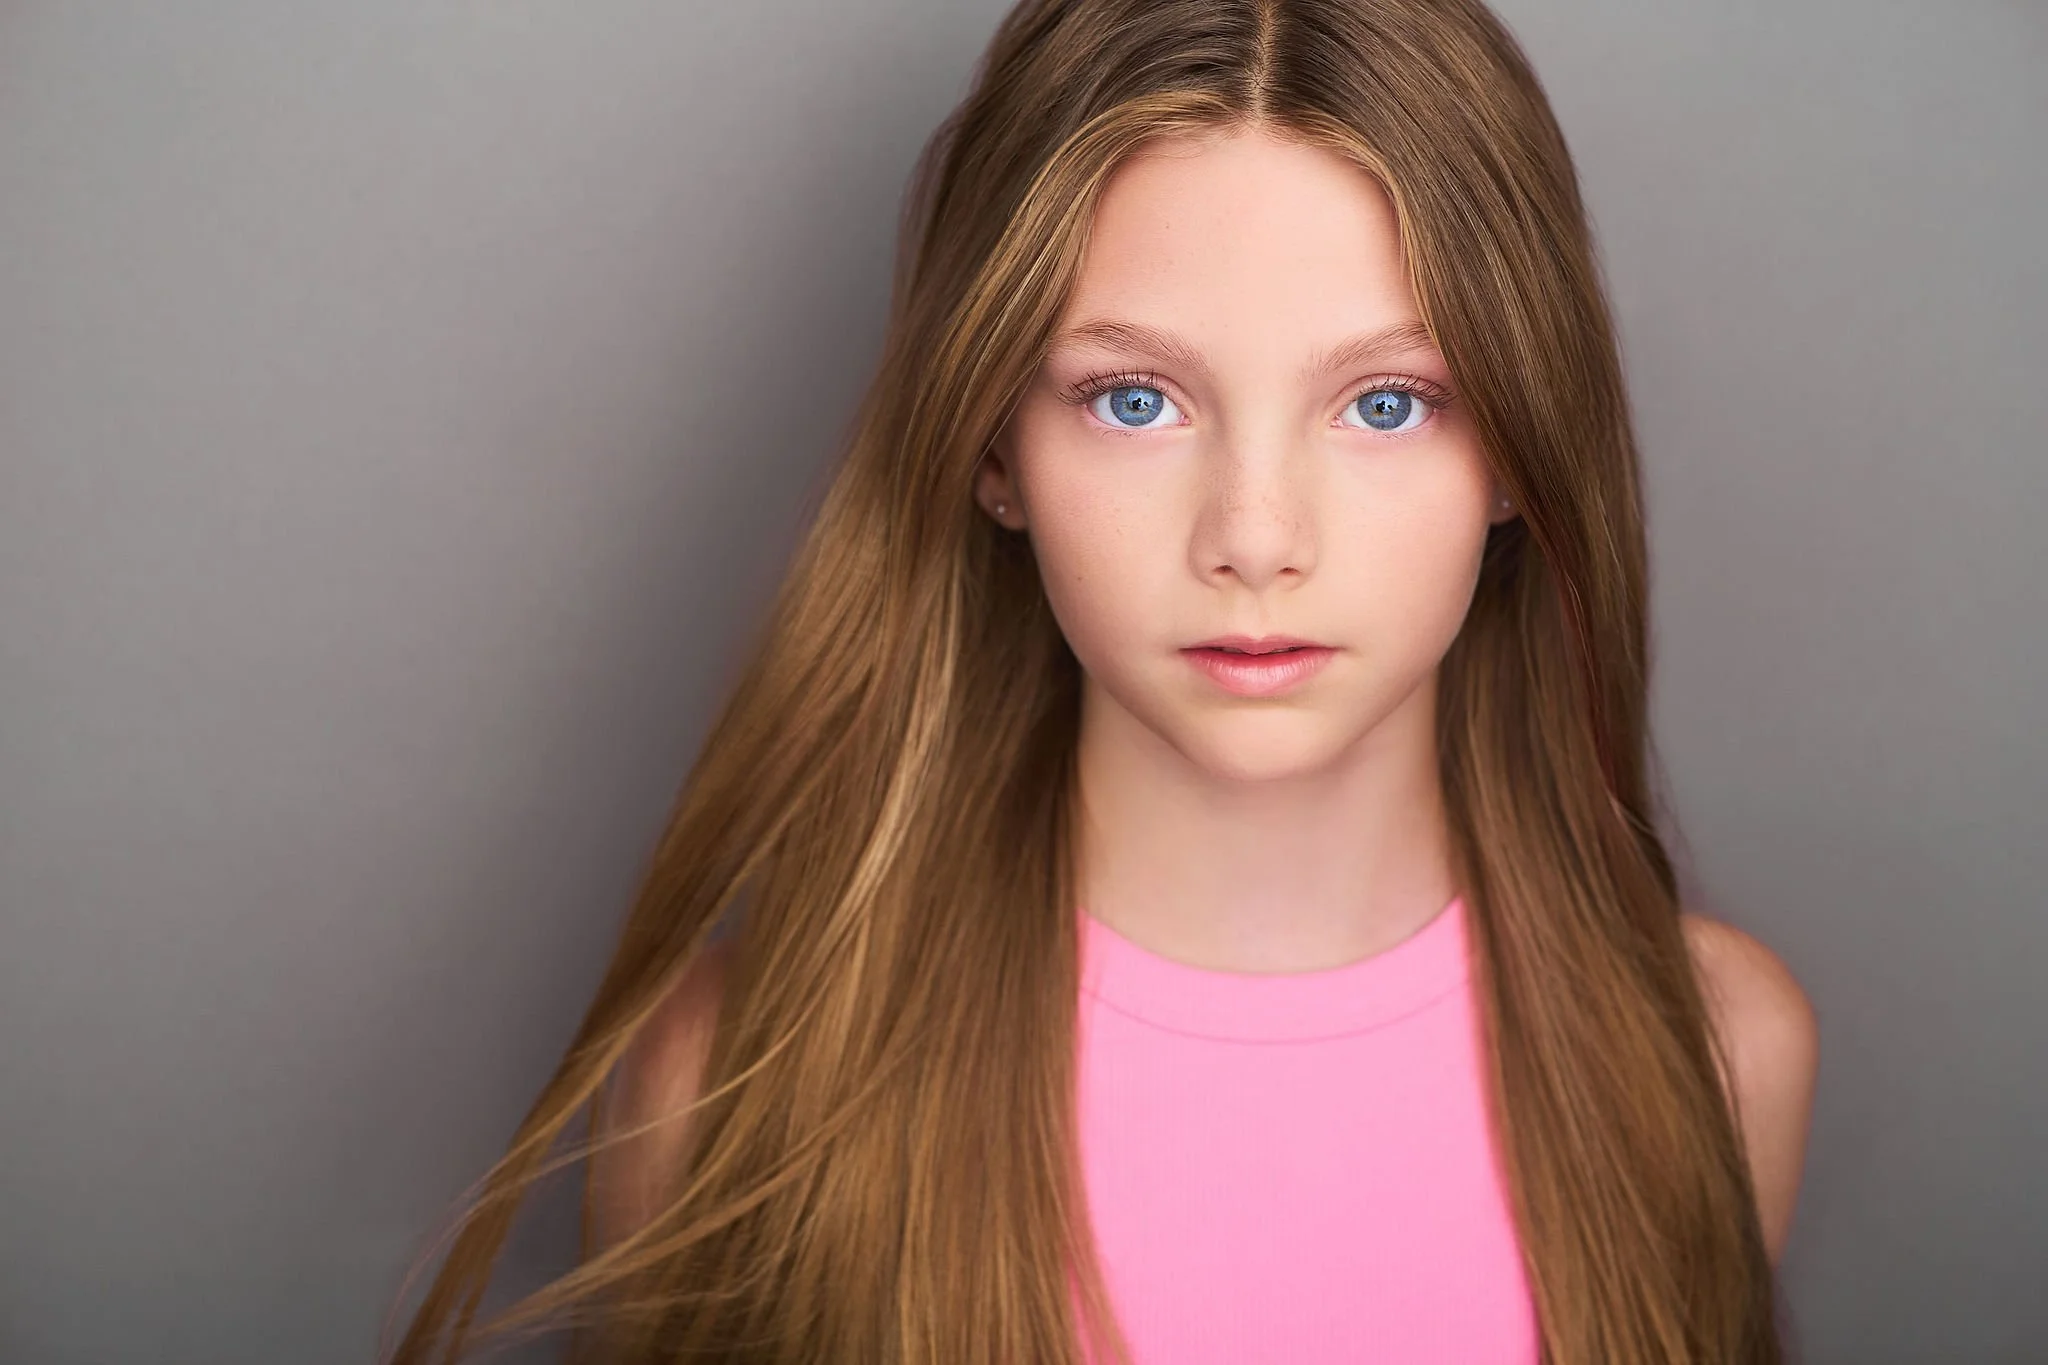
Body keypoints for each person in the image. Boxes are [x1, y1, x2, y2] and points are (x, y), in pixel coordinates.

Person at [386, 0, 1819, 1361]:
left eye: (1388, 403)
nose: (1256, 537)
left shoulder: (1712, 1057)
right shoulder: (733, 1092)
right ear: (995, 449)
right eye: (1134, 400)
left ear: (1516, 444)